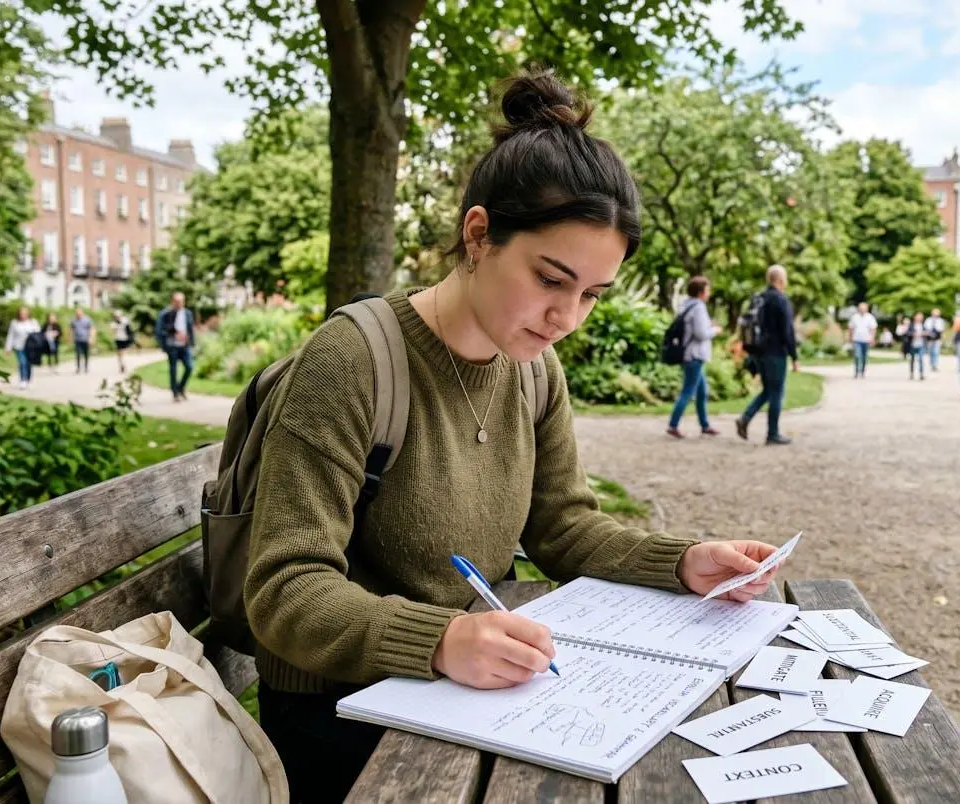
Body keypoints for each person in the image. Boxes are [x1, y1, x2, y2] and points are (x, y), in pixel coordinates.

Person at [241, 68, 789, 799]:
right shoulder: (352, 361)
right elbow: (284, 589)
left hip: (473, 686)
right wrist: (436, 640)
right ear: (479, 235)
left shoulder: (534, 369)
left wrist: (683, 561)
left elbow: (563, 525)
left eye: (592, 294)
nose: (568, 316)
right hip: (341, 710)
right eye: (551, 279)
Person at [736, 264, 800, 445]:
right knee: (777, 393)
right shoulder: (781, 300)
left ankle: (745, 418)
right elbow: (788, 331)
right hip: (775, 352)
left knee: (767, 390)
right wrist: (794, 356)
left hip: (757, 352)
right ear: (780, 280)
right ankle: (772, 433)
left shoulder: (759, 298)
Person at [666, 276, 720, 439]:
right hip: (694, 356)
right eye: (708, 289)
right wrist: (715, 330)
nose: (709, 293)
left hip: (690, 355)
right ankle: (673, 425)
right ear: (701, 292)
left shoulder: (686, 305)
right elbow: (701, 333)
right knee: (688, 391)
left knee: (702, 391)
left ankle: (705, 425)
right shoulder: (698, 307)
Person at [156, 292, 195, 401]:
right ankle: (175, 393)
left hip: (184, 346)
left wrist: (191, 342)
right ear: (172, 301)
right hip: (172, 346)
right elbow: (160, 330)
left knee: (189, 367)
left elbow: (190, 329)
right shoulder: (165, 314)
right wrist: (173, 335)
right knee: (173, 370)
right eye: (177, 302)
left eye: (181, 301)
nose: (179, 304)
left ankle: (180, 387)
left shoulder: (187, 313)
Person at [5, 307, 40, 389]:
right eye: (21, 313)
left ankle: (28, 379)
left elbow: (38, 333)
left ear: (28, 314)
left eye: (25, 313)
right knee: (22, 362)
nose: (23, 315)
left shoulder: (33, 322)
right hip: (19, 346)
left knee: (29, 364)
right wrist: (8, 348)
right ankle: (23, 380)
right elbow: (11, 335)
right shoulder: (14, 322)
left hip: (30, 347)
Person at [848, 302, 878, 379]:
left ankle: (863, 371)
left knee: (864, 356)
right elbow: (851, 328)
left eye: (864, 308)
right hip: (856, 339)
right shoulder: (854, 317)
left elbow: (873, 329)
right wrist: (850, 338)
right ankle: (857, 371)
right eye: (861, 308)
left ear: (866, 309)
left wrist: (872, 338)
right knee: (857, 355)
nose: (862, 310)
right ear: (858, 309)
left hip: (866, 340)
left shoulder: (870, 317)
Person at [70, 308, 95, 374]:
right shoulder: (73, 320)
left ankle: (86, 367)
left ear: (82, 313)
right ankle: (78, 368)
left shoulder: (87, 319)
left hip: (86, 339)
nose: (78, 314)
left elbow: (92, 329)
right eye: (77, 313)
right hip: (77, 340)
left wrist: (91, 338)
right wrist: (70, 338)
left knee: (86, 354)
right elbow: (71, 329)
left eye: (79, 313)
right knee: (78, 354)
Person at [905, 312, 928, 380]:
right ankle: (911, 373)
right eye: (918, 316)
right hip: (913, 344)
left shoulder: (923, 325)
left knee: (921, 359)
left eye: (920, 317)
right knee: (912, 359)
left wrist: (924, 333)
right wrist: (913, 334)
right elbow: (907, 333)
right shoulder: (911, 325)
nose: (919, 318)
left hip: (921, 344)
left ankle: (921, 374)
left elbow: (928, 333)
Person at [923, 307, 947, 372]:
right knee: (931, 352)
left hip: (937, 339)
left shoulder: (941, 321)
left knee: (936, 352)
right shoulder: (928, 320)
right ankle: (931, 364)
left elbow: (942, 330)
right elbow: (925, 328)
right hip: (930, 339)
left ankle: (935, 365)